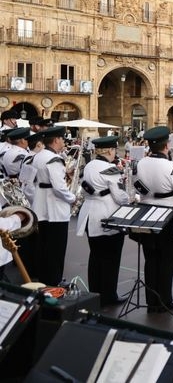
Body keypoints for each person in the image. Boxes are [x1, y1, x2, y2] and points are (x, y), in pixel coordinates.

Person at [133, 126, 173, 312]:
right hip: (168, 216)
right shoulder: (172, 167)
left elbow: (137, 188)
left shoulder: (140, 163)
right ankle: (165, 300)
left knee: (150, 260)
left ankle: (152, 301)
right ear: (166, 145)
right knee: (167, 261)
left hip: (146, 215)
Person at [75, 135, 130, 306]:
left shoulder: (89, 165)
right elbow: (120, 197)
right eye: (115, 150)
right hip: (107, 215)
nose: (115, 153)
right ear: (109, 150)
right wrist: (129, 197)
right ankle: (109, 295)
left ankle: (95, 293)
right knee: (111, 258)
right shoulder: (110, 169)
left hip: (89, 214)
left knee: (96, 256)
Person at [30, 126, 76, 286]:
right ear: (56, 139)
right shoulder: (54, 159)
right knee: (56, 248)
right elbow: (59, 188)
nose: (64, 141)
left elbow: (32, 181)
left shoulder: (38, 155)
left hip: (40, 204)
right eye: (62, 139)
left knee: (43, 246)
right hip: (55, 208)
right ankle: (54, 280)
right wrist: (72, 198)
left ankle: (44, 278)